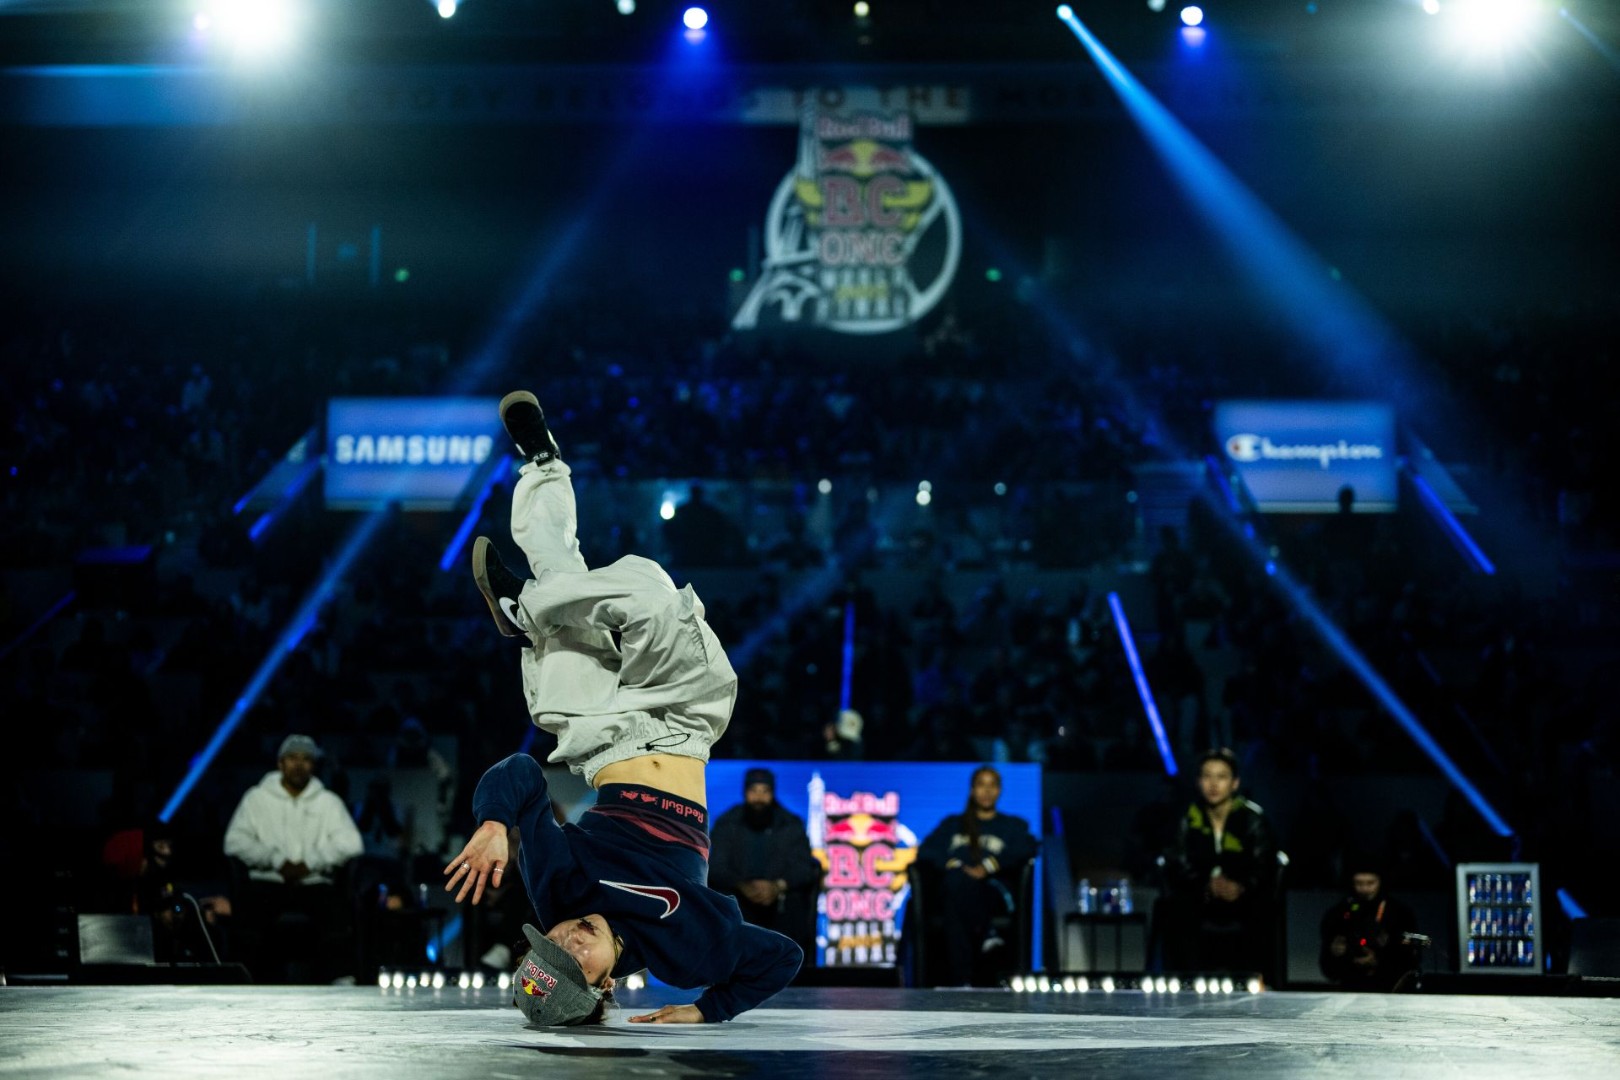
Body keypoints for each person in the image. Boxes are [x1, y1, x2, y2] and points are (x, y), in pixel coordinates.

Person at [445, 390, 801, 1027]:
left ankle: (542, 465)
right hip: (683, 720)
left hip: (602, 738)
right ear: (606, 984)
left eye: (549, 947)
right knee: (650, 590)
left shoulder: (557, 892)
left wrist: (495, 823)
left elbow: (521, 774)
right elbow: (782, 957)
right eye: (574, 963)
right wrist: (709, 1011)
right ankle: (529, 614)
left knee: (558, 570)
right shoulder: (685, 952)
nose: (566, 940)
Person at [223, 734, 364, 982]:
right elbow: (234, 841)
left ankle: (341, 979)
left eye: (306, 759)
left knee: (335, 910)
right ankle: (244, 981)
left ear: (314, 766)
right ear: (280, 763)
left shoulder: (328, 801)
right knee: (250, 910)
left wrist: (310, 863)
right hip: (268, 880)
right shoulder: (256, 798)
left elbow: (352, 843)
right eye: (292, 758)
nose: (299, 765)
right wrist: (276, 861)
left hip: (313, 881)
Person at [914, 765, 1039, 986]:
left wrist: (989, 867)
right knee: (956, 883)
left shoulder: (1012, 826)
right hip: (954, 886)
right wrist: (956, 865)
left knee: (955, 896)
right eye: (981, 785)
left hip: (992, 891)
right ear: (972, 790)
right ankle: (987, 932)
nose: (987, 791)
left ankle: (961, 981)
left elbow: (1029, 847)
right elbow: (926, 851)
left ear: (999, 790)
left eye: (992, 785)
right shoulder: (952, 824)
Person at [1160, 747, 1278, 976]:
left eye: (1221, 777)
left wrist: (1240, 887)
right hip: (1198, 896)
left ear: (1234, 783)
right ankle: (1187, 982)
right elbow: (1178, 861)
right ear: (1198, 781)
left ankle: (1257, 981)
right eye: (1207, 776)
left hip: (1244, 897)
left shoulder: (1253, 819)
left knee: (1261, 908)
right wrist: (1206, 885)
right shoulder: (1186, 817)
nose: (1213, 784)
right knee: (1177, 907)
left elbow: (1264, 865)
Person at [708, 767, 823, 962]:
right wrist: (744, 886)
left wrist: (777, 886)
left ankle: (793, 968)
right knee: (725, 900)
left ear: (773, 793)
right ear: (745, 792)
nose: (759, 798)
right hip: (739, 902)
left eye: (765, 791)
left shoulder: (790, 824)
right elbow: (716, 867)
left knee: (796, 902)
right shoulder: (728, 823)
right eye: (754, 791)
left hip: (781, 906)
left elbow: (804, 868)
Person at [1319, 856, 1420, 991]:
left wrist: (1382, 957)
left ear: (1381, 882)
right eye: (1359, 883)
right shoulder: (1338, 913)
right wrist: (1336, 953)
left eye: (1370, 883)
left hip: (1390, 986)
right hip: (1350, 985)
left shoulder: (1400, 912)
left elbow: (1419, 947)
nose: (1364, 889)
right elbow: (1327, 963)